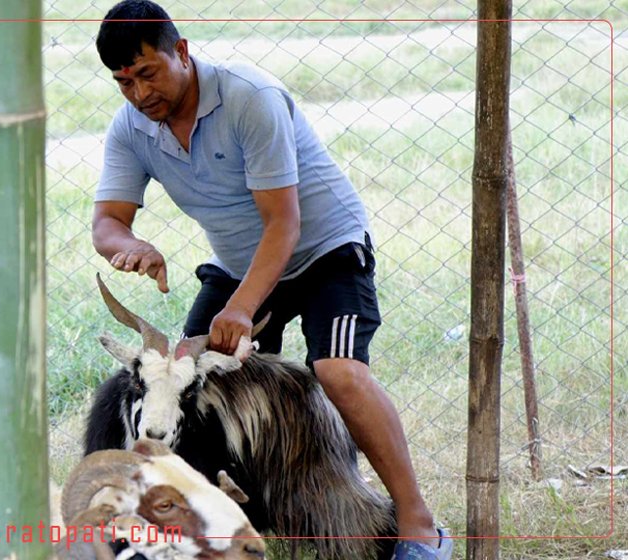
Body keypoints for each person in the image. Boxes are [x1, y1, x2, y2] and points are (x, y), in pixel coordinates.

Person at [90, 1, 452, 558]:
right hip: (241, 265)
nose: (139, 94)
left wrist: (240, 309)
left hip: (324, 248)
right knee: (187, 381)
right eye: (124, 82)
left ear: (181, 52)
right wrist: (129, 245)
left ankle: (417, 523)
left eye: (147, 73)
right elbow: (107, 223)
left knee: (338, 371)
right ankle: (207, 525)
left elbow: (284, 222)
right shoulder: (133, 126)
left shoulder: (247, 97)